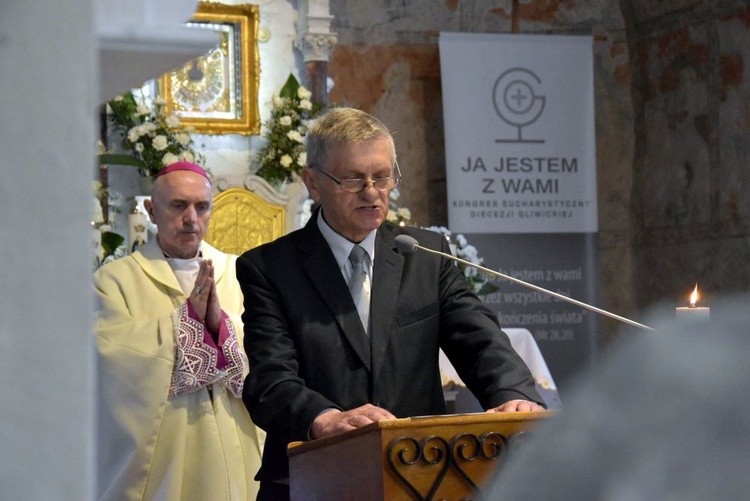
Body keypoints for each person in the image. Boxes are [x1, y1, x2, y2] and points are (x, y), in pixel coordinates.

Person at [236, 107, 545, 500]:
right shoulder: (269, 268)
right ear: (312, 182)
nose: (371, 192)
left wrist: (512, 395)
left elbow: (478, 337)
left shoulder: (426, 255)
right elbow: (270, 380)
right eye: (352, 179)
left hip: (423, 474)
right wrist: (327, 419)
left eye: (382, 177)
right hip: (313, 479)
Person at [94, 161, 264, 501]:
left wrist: (220, 328)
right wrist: (186, 323)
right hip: (168, 459)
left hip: (238, 447)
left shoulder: (237, 272)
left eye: (201, 207)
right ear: (151, 210)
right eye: (178, 206)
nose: (191, 219)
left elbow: (270, 348)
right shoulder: (115, 280)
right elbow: (108, 359)